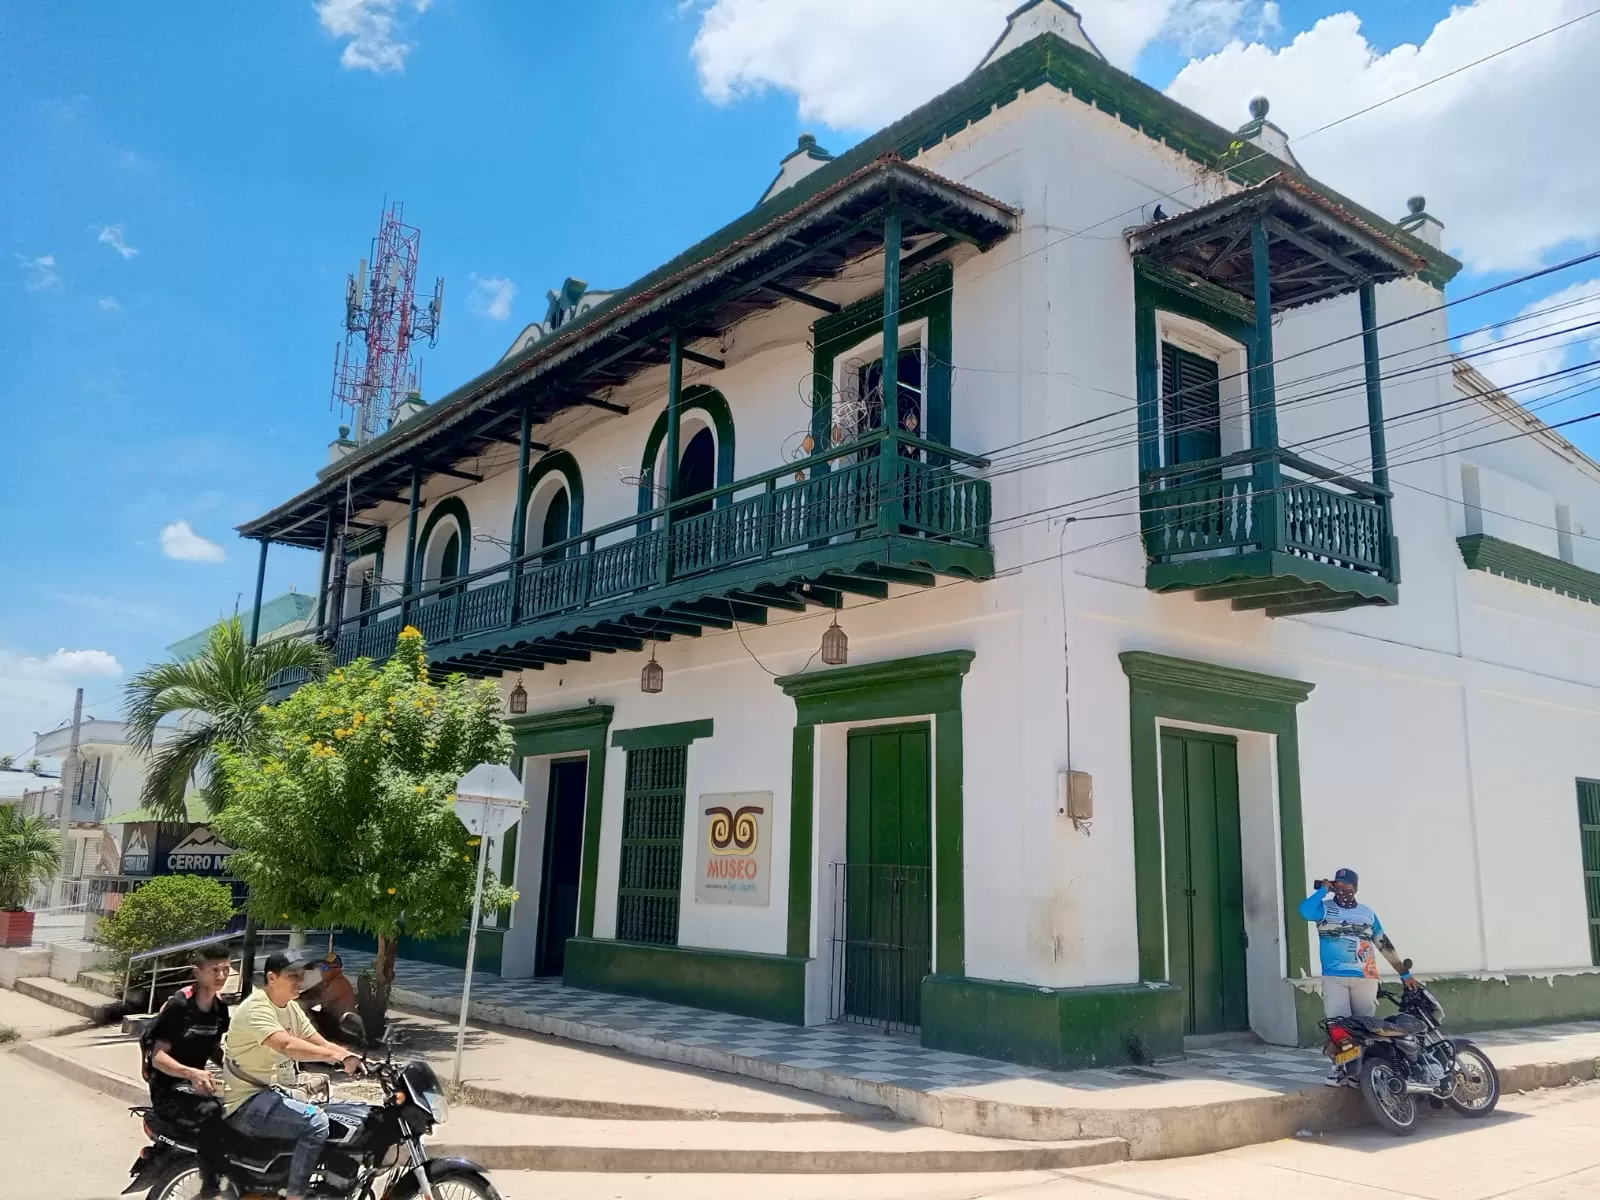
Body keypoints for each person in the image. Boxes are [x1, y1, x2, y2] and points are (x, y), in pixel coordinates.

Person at [222, 949, 360, 1200]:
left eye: (301, 976)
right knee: (316, 1122)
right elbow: (286, 1045)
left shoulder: (290, 1008)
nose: (300, 982)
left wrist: (358, 1059)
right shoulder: (257, 1008)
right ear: (272, 978)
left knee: (343, 1114)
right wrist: (336, 1057)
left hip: (271, 1095)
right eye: (292, 976)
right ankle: (296, 1194)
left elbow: (318, 1041)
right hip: (246, 1103)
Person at [1299, 868, 1418, 1086]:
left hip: (1366, 976)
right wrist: (1322, 891)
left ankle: (1359, 1072)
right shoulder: (1324, 909)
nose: (1343, 889)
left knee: (1366, 1028)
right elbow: (1305, 911)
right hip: (1335, 976)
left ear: (1356, 888)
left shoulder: (1367, 913)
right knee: (1338, 1026)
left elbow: (1383, 943)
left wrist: (1404, 973)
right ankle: (1338, 1068)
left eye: (1348, 885)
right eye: (1339, 884)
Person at [142, 943, 232, 1196]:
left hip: (196, 1086)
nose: (221, 976)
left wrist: (239, 1067)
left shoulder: (220, 1009)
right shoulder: (180, 1005)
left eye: (226, 969)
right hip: (168, 1089)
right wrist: (192, 1072)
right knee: (214, 1112)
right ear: (198, 971)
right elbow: (158, 1057)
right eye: (214, 970)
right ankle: (211, 1186)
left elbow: (214, 1048)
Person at [298, 951, 359, 1044]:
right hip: (330, 1020)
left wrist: (295, 1001)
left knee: (303, 1010)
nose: (322, 971)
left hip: (341, 1027)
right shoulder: (328, 981)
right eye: (322, 967)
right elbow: (310, 993)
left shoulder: (338, 984)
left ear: (338, 970)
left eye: (326, 968)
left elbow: (313, 1002)